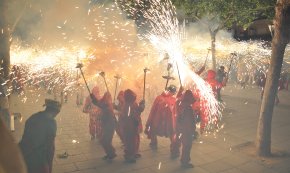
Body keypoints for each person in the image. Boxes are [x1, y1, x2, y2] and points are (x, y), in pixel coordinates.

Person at [19, 99, 61, 173]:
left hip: (23, 153)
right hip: (38, 158)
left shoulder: (33, 117)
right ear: (56, 112)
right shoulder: (51, 123)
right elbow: (50, 147)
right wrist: (50, 166)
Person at [145, 85, 181, 153]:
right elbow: (176, 110)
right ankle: (175, 150)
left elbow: (153, 109)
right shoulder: (173, 99)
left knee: (153, 129)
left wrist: (151, 119)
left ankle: (153, 143)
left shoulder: (159, 98)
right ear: (173, 92)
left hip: (157, 119)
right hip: (169, 121)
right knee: (172, 133)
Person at [172, 90, 198, 168]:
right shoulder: (188, 108)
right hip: (186, 132)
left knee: (180, 142)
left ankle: (175, 153)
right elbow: (188, 123)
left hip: (179, 129)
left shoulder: (180, 104)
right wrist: (193, 132)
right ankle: (185, 162)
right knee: (187, 146)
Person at [118, 89, 145, 163]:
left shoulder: (132, 103)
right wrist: (141, 108)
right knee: (130, 142)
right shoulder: (127, 105)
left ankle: (134, 153)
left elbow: (137, 110)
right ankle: (129, 156)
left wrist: (141, 105)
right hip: (129, 127)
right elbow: (132, 114)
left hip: (133, 126)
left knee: (135, 140)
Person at [90, 91, 117, 161]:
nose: (106, 98)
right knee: (105, 140)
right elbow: (99, 103)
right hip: (107, 125)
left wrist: (93, 98)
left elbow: (100, 104)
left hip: (109, 125)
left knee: (105, 140)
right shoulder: (108, 104)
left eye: (107, 96)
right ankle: (110, 154)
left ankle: (111, 153)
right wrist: (93, 97)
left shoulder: (107, 104)